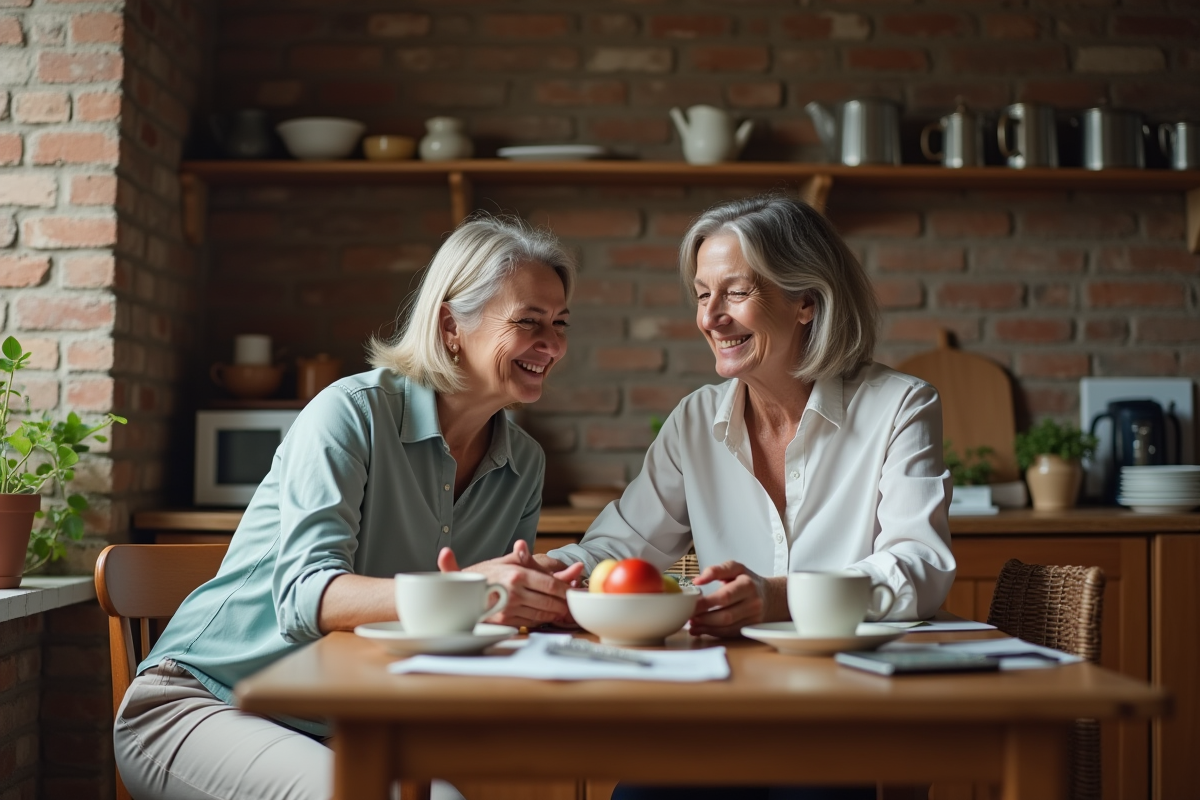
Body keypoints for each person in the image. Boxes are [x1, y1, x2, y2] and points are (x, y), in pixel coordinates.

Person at [113, 216, 585, 800]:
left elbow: (470, 625)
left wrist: (537, 606)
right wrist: (470, 591)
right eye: (528, 322)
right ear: (450, 325)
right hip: (204, 704)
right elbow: (303, 597)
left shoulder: (524, 463)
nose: (553, 344)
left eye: (560, 324)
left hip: (349, 726)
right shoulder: (350, 414)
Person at [539, 195, 956, 800]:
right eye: (703, 295)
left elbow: (920, 568)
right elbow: (619, 545)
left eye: (735, 293)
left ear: (806, 301)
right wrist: (552, 570)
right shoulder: (693, 421)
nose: (711, 317)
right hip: (727, 707)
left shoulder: (900, 405)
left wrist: (779, 597)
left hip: (856, 706)